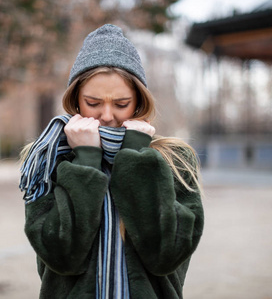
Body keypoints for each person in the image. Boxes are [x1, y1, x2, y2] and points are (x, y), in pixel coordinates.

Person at [19, 24, 204, 299]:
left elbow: (167, 254)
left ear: (139, 102)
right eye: (93, 102)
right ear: (76, 101)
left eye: (121, 104)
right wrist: (85, 160)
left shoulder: (175, 159)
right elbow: (61, 256)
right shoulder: (48, 160)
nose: (106, 116)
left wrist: (137, 159)